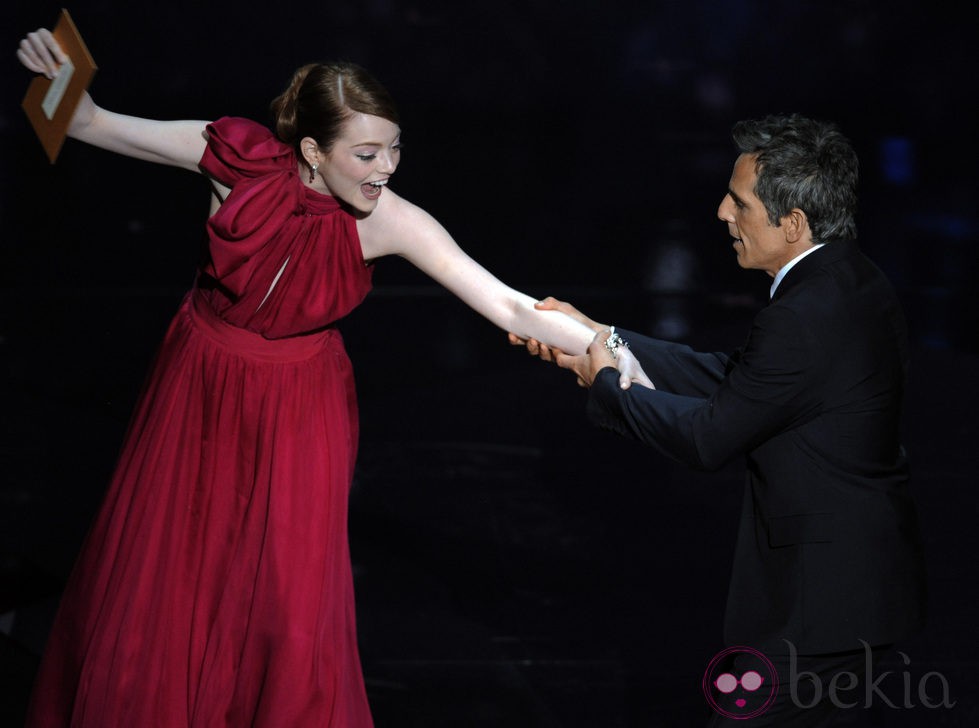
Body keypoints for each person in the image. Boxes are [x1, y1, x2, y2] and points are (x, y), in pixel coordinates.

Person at [15, 27, 650, 728]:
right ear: (312, 151)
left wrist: (611, 346)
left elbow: (504, 302)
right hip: (198, 380)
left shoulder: (392, 221)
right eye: (368, 153)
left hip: (297, 401)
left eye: (395, 147)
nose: (387, 168)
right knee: (171, 565)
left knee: (286, 590)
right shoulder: (234, 157)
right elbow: (87, 122)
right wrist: (58, 73)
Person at [512, 114, 927, 726]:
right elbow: (741, 381)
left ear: (792, 223)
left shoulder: (805, 312)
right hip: (854, 591)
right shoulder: (850, 279)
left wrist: (603, 381)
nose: (721, 215)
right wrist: (604, 337)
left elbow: (710, 435)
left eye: (739, 203)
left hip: (821, 606)